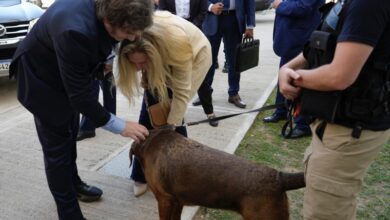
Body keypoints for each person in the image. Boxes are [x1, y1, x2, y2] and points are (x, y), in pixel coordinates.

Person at [9, 0, 152, 219]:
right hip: (41, 81)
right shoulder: (74, 31)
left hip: (66, 71)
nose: (133, 38)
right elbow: (80, 98)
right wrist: (121, 126)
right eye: (128, 32)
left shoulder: (106, 10)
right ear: (108, 20)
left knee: (70, 131)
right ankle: (69, 214)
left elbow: (82, 82)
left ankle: (74, 183)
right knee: (57, 149)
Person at [278, 0, 390, 219]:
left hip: (348, 130)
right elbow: (320, 47)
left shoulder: (368, 5)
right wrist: (287, 68)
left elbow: (339, 76)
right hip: (335, 126)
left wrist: (294, 78)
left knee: (325, 212)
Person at [116, 10, 212, 197]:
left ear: (151, 54)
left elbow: (182, 93)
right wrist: (145, 71)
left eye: (142, 63)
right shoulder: (136, 33)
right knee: (149, 112)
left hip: (194, 54)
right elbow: (140, 60)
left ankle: (182, 174)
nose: (137, 68)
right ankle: (140, 174)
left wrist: (170, 126)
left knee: (174, 114)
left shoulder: (176, 43)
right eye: (134, 64)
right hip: (161, 53)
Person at [263, 0, 324, 139]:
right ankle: (281, 110)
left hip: (301, 38)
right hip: (289, 37)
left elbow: (303, 7)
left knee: (300, 80)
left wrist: (280, 5)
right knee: (283, 74)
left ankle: (302, 124)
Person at [158, 0, 218, 127]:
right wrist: (176, 28)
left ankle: (210, 112)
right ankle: (175, 113)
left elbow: (203, 12)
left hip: (194, 33)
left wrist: (188, 27)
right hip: (171, 36)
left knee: (202, 80)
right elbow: (162, 11)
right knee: (174, 78)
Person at [202, 0, 256, 109]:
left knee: (234, 60)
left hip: (234, 19)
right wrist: (211, 6)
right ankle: (205, 94)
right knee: (208, 60)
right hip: (212, 17)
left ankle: (233, 93)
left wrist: (250, 25)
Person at [77, 54, 117, 141]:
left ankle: (87, 127)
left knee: (93, 82)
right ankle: (110, 115)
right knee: (106, 77)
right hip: (103, 51)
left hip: (98, 51)